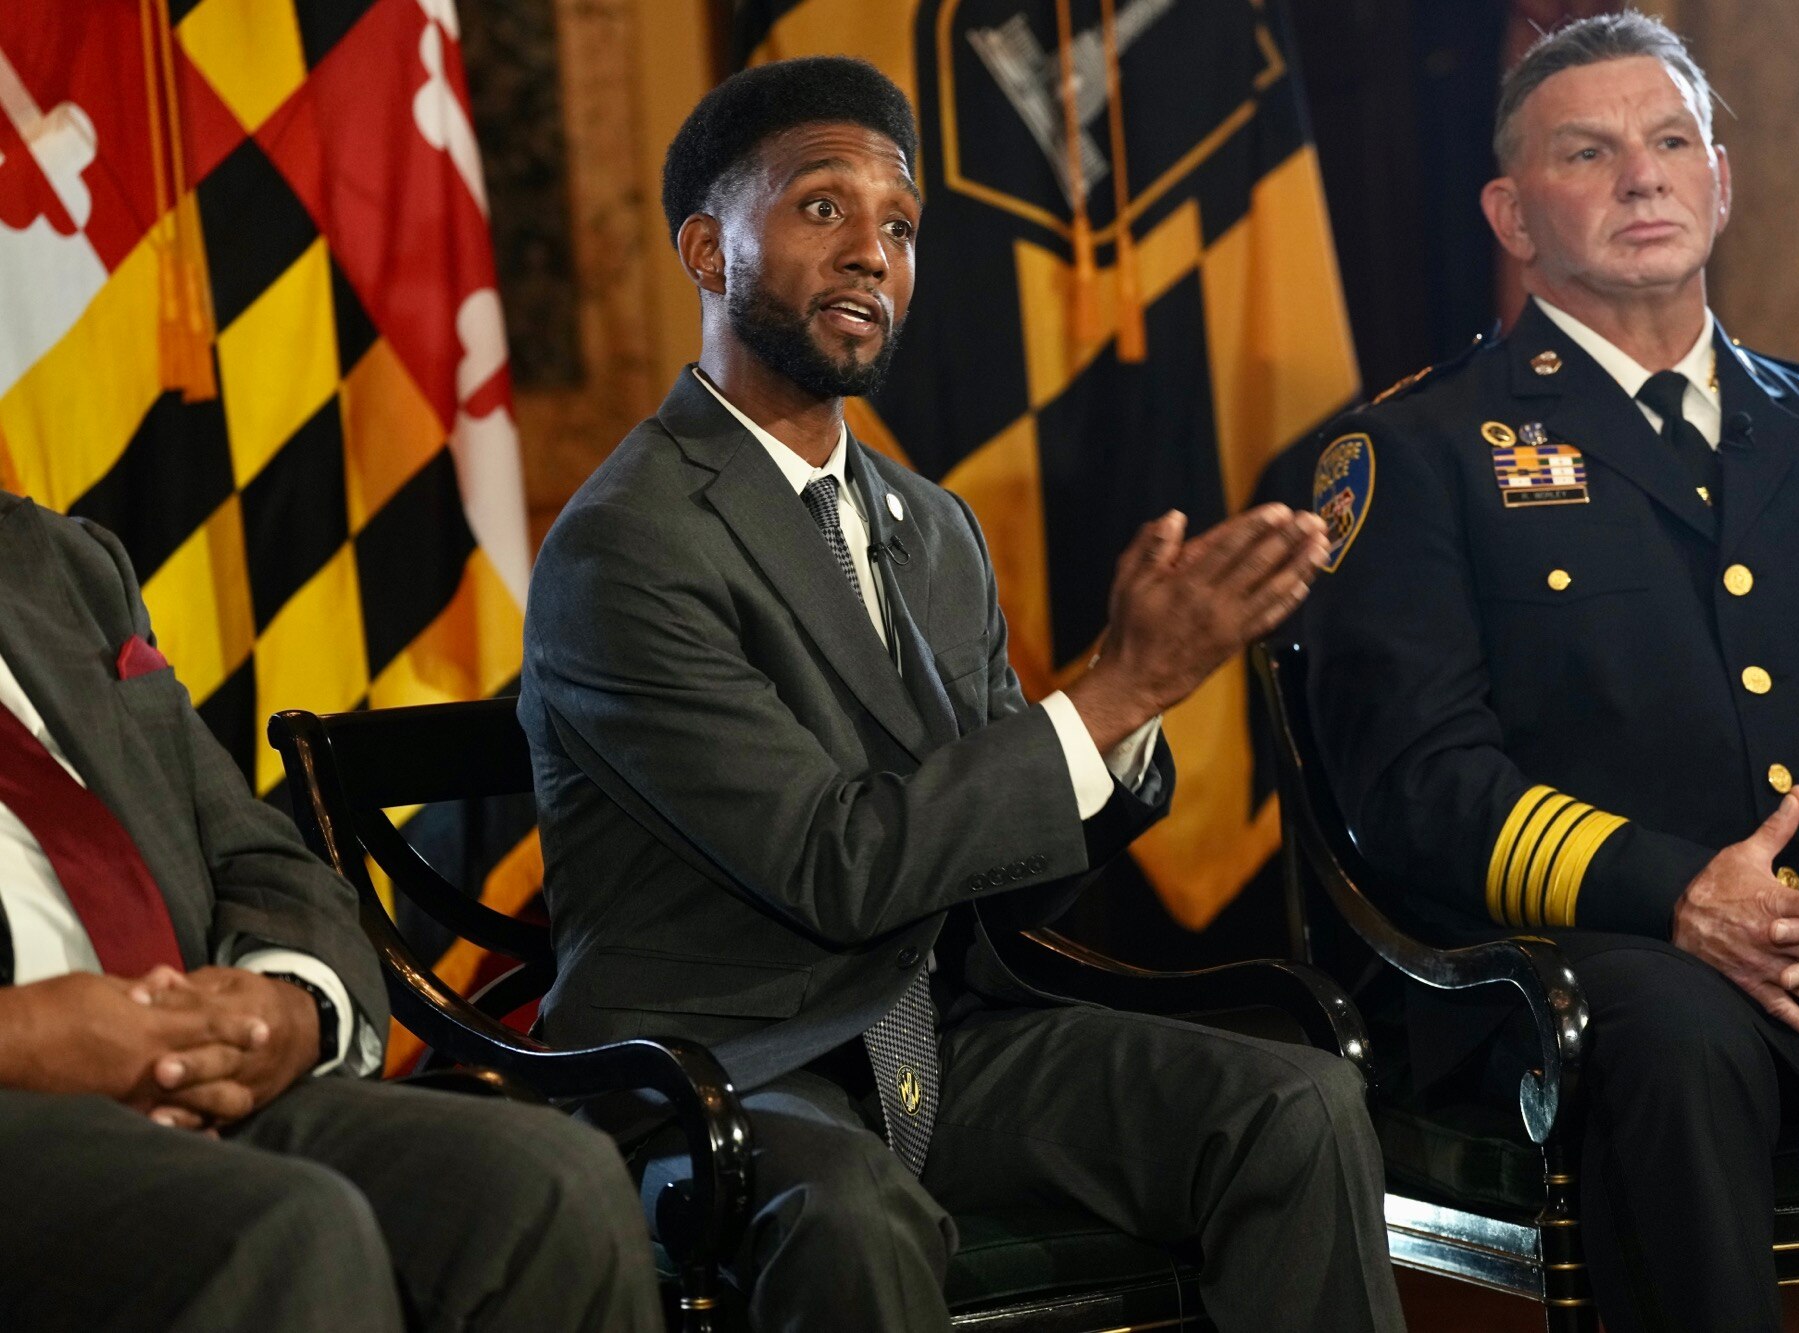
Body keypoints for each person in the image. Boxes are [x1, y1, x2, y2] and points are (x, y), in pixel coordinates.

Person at [518, 54, 1404, 1333]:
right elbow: (837, 864)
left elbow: (1000, 869)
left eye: (898, 226)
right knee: (852, 1221)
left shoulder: (931, 528)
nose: (871, 254)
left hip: (937, 1033)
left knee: (1297, 1100)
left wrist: (1133, 709)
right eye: (822, 209)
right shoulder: (628, 540)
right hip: (725, 1070)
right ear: (708, 252)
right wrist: (1109, 693)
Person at [1303, 12, 1799, 1330]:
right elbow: (1416, 781)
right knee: (1670, 1040)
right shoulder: (1419, 452)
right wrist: (1681, 892)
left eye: (1674, 140)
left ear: (1722, 182)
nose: (1644, 175)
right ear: (1513, 216)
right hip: (1601, 960)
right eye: (1591, 151)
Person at [0, 495, 663, 1331]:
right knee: (288, 1230)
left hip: (200, 1066)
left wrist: (284, 1004)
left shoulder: (59, 560)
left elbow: (255, 854)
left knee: (549, 1182)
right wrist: (25, 1039)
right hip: (21, 1102)